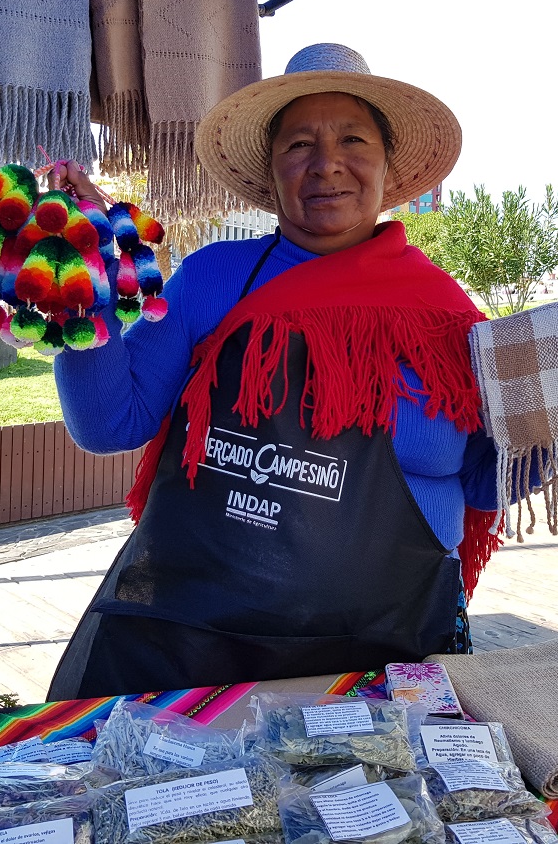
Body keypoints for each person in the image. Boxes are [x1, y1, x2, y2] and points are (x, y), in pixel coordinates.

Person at [47, 43, 503, 699]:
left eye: (353, 139)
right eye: (299, 145)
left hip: (387, 649)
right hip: (202, 641)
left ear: (386, 163)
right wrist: (83, 287)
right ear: (271, 166)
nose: (327, 165)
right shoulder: (212, 278)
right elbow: (110, 423)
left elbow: (488, 480)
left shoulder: (445, 314)